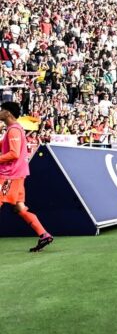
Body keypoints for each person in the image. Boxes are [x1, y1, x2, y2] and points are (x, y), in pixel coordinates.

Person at [0, 101, 53, 252]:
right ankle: (44, 234)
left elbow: (14, 153)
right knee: (20, 208)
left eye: (1, 110)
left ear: (8, 113)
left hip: (9, 175)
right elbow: (5, 146)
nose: (0, 112)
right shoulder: (14, 129)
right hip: (18, 175)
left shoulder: (14, 130)